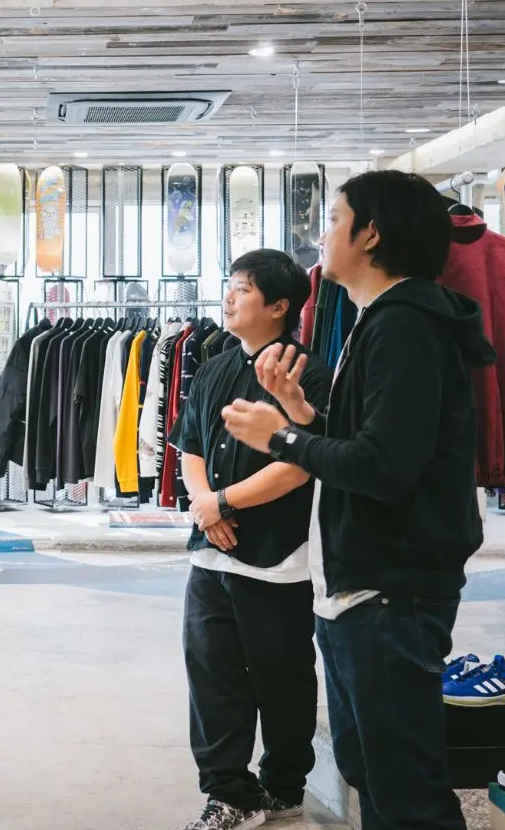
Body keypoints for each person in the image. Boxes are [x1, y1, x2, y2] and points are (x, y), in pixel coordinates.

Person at [222, 172, 493, 830]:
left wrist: (282, 437)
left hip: (390, 590)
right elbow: (372, 447)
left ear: (371, 234)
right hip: (361, 588)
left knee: (405, 792)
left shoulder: (405, 325)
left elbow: (384, 468)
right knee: (372, 772)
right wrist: (302, 414)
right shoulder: (382, 321)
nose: (322, 235)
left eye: (335, 220)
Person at [172, 249, 332, 830]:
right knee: (211, 678)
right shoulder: (214, 365)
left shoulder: (308, 375)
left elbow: (300, 466)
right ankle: (228, 792)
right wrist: (205, 507)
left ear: (280, 306)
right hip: (210, 555)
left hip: (276, 558)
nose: (229, 297)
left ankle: (283, 786)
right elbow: (190, 445)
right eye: (230, 285)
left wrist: (224, 503)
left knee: (281, 680)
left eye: (242, 288)